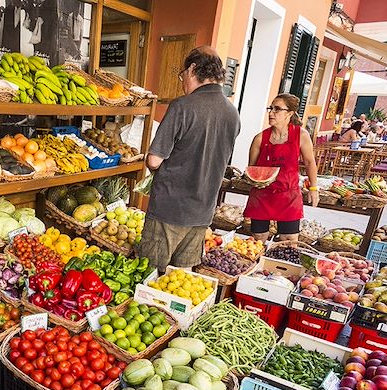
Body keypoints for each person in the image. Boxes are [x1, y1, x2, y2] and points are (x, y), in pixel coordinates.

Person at [137, 46, 240, 271]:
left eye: (182, 75)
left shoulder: (182, 106)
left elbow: (154, 160)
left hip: (169, 209)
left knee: (150, 274)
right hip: (202, 212)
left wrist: (146, 160)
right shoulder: (232, 113)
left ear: (193, 69)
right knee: (181, 278)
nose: (182, 80)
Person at [243, 93, 319, 243]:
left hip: (288, 196)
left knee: (289, 241)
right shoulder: (259, 138)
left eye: (277, 109)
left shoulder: (301, 135)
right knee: (258, 239)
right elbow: (252, 168)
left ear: (289, 113)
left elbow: (310, 163)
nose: (271, 113)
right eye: (270, 108)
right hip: (262, 196)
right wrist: (254, 180)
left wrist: (314, 189)